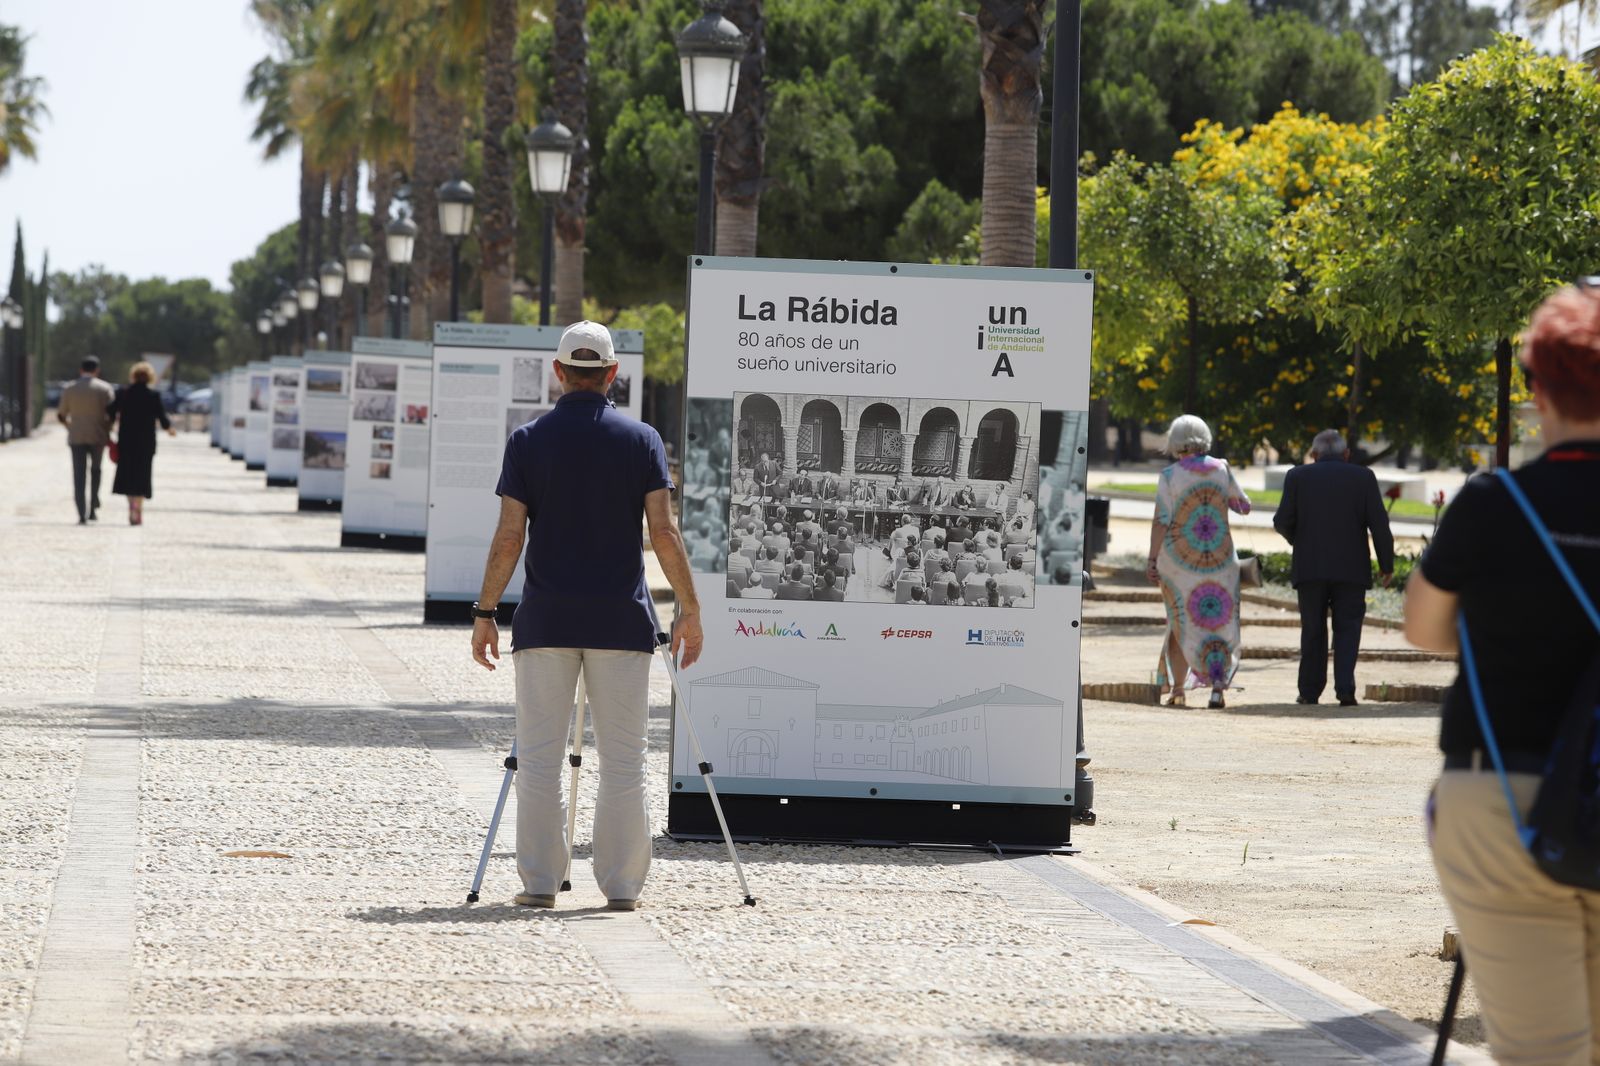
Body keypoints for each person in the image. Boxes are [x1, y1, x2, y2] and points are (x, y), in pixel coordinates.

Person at [1405, 284, 1600, 1064]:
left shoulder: (1496, 503)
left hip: (1504, 800)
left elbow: (1425, 627)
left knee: (1546, 1052)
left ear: (1539, 386)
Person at [471, 320, 703, 912]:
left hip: (546, 619)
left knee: (540, 760)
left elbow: (508, 537)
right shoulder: (642, 439)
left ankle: (541, 884)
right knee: (624, 761)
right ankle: (621, 889)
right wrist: (689, 610)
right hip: (620, 622)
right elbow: (665, 533)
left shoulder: (528, 440)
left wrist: (485, 611)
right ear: (612, 373)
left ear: (557, 373)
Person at [1273, 429, 1395, 706]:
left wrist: (1299, 540)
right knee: (1348, 628)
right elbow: (1379, 526)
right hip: (1351, 568)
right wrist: (1386, 564)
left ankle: (1309, 690)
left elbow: (1282, 521)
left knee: (1312, 628)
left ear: (1313, 455)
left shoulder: (1297, 477)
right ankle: (1345, 688)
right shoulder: (1363, 477)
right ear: (1347, 454)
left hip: (1310, 566)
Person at [1146, 415, 1250, 709]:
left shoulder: (1169, 475)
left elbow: (1161, 521)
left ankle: (1178, 690)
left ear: (1175, 441)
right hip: (1219, 561)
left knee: (1180, 622)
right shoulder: (1222, 468)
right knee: (1218, 623)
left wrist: (1152, 558)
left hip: (1179, 563)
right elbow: (1244, 505)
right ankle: (1217, 689)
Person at [107, 361, 175, 526]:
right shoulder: (153, 395)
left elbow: (109, 410)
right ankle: (139, 506)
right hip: (146, 443)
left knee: (128, 475)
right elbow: (162, 417)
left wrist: (112, 424)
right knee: (142, 476)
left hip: (127, 441)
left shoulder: (124, 393)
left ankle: (131, 504)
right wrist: (169, 429)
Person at [57, 355, 116, 524]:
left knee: (79, 474)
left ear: (81, 370)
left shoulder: (70, 388)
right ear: (97, 370)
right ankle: (93, 507)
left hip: (76, 436)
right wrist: (107, 429)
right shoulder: (105, 389)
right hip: (98, 436)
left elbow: (61, 414)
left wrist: (70, 427)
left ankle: (81, 512)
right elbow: (111, 414)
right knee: (96, 471)